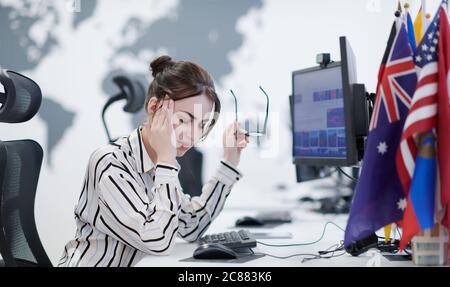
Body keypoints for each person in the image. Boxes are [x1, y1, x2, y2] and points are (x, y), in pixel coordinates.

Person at [59, 55, 248, 267]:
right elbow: (159, 241)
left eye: (202, 124)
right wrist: (166, 160)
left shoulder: (158, 164)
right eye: (184, 120)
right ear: (154, 107)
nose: (193, 135)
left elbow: (192, 225)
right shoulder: (110, 164)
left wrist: (229, 162)